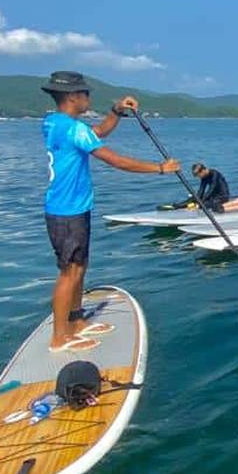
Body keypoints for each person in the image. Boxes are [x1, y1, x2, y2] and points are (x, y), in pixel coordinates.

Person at [39, 71, 179, 352]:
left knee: (79, 267)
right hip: (67, 212)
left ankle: (76, 321)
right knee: (69, 272)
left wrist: (116, 111)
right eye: (85, 93)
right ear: (72, 96)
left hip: (68, 208)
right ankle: (59, 337)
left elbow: (98, 132)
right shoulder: (73, 129)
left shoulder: (54, 123)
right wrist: (160, 169)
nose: (88, 98)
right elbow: (115, 161)